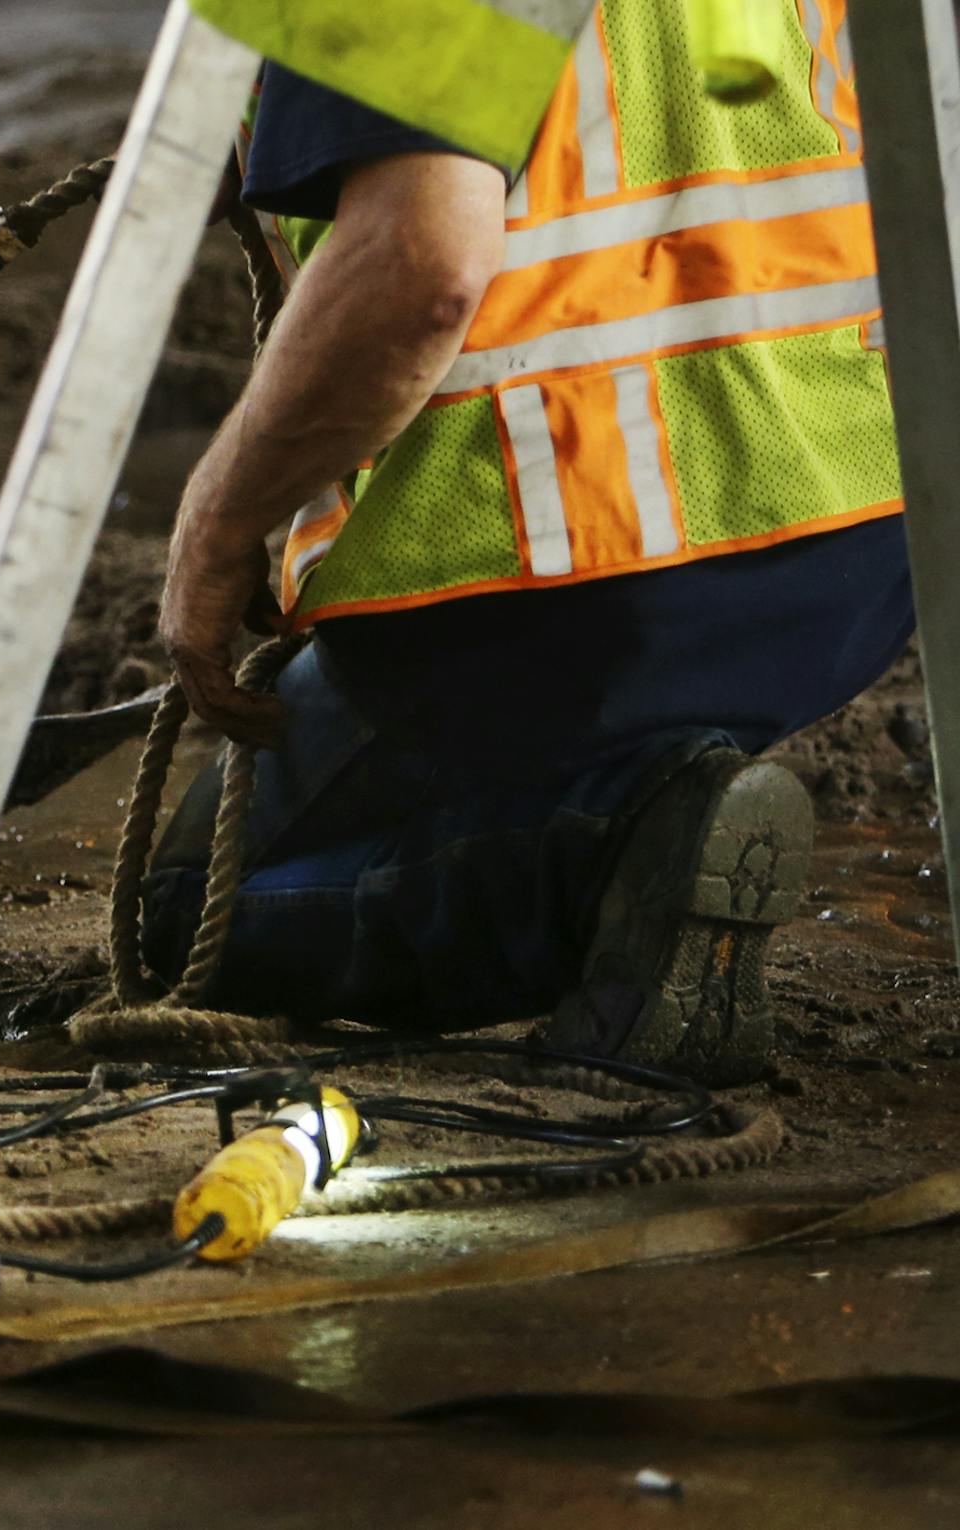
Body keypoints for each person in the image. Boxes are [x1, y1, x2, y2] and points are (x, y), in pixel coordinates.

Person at [146, 0, 908, 1084]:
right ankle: (654, 804)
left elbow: (421, 265)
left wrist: (219, 523)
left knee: (184, 916)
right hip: (858, 548)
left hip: (565, 574)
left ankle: (603, 864)